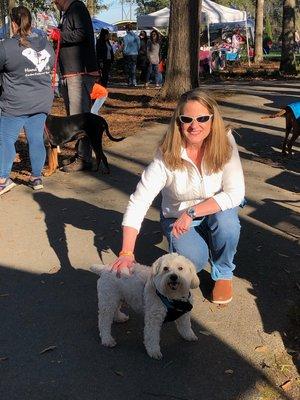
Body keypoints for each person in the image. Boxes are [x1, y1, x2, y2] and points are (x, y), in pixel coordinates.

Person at [112, 89, 245, 305]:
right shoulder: (167, 154)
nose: (195, 126)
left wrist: (193, 212)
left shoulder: (225, 142)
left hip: (215, 210)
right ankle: (201, 245)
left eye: (202, 118)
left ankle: (223, 272)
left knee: (227, 224)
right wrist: (126, 251)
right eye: (187, 119)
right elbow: (140, 200)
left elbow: (235, 193)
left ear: (213, 119)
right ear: (178, 122)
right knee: (194, 261)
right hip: (177, 217)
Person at [0, 6, 54, 196]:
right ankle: (36, 177)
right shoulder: (46, 44)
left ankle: (2, 180)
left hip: (15, 104)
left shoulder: (6, 46)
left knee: (6, 140)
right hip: (41, 101)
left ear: (13, 24)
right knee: (36, 139)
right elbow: (50, 67)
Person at [48, 0, 98, 173]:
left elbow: (81, 33)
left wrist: (58, 35)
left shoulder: (77, 8)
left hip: (79, 72)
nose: (55, 4)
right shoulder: (69, 12)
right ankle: (81, 154)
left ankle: (84, 158)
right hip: (71, 73)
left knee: (79, 118)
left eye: (55, 1)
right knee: (74, 118)